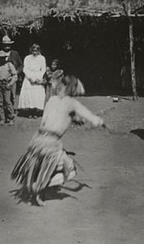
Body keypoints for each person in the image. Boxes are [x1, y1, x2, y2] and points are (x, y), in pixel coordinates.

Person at [11, 75, 105, 206]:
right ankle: (37, 187)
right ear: (73, 89)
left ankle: (34, 185)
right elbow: (93, 120)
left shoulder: (52, 99)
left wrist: (75, 119)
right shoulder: (72, 103)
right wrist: (99, 121)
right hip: (51, 144)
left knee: (44, 164)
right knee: (70, 171)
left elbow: (50, 120)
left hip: (36, 141)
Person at [0, 35, 23, 110]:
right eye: (5, 45)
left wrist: (16, 72)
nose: (7, 46)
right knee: (2, 96)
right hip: (2, 79)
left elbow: (21, 65)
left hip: (12, 78)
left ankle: (11, 110)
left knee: (12, 95)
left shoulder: (14, 53)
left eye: (8, 45)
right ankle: (3, 112)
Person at [18, 43, 46, 118]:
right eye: (33, 50)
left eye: (36, 50)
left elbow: (43, 69)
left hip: (38, 76)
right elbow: (25, 68)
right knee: (29, 95)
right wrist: (30, 77)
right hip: (29, 77)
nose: (35, 52)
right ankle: (30, 111)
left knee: (36, 95)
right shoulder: (27, 58)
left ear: (38, 50)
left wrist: (38, 78)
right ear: (31, 50)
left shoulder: (42, 58)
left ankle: (35, 112)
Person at [0, 50, 18, 125]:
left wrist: (10, 84)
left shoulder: (9, 65)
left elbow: (15, 75)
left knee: (8, 102)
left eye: (3, 58)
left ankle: (11, 117)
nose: (1, 60)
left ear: (5, 58)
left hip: (6, 84)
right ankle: (2, 118)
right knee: (0, 102)